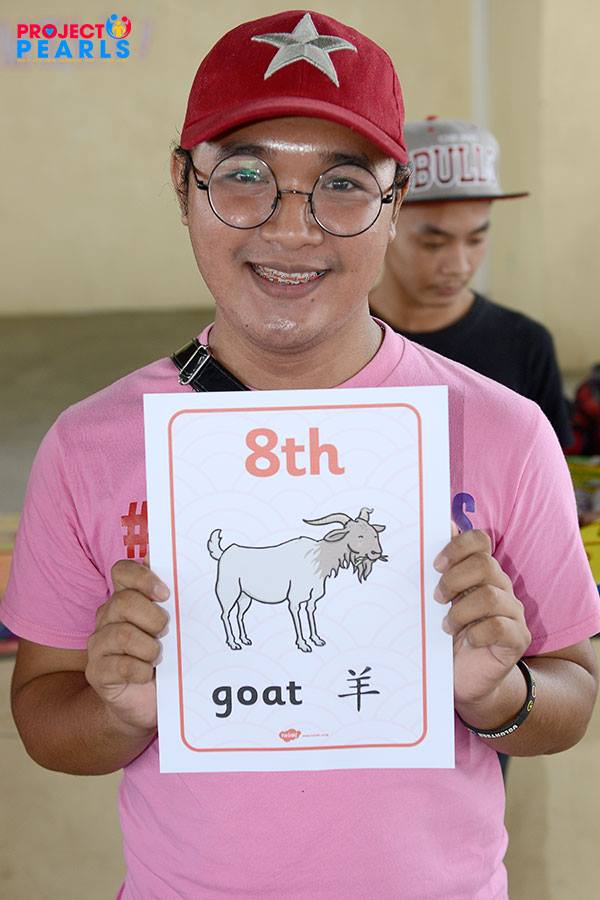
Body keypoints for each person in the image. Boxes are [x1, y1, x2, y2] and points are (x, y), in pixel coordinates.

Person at [2, 11, 599, 899]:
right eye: (244, 176)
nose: (291, 229)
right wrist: (122, 712)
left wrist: (499, 694)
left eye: (344, 184)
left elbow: (572, 693)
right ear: (183, 185)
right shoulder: (90, 445)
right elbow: (46, 716)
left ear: (395, 204)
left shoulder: (503, 431)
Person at [370, 117, 572, 448]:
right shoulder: (336, 338)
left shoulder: (526, 345)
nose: (459, 266)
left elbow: (549, 473)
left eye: (476, 240)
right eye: (433, 244)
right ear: (385, 221)